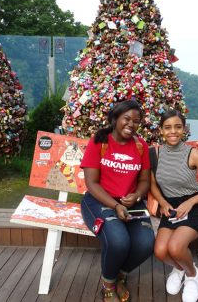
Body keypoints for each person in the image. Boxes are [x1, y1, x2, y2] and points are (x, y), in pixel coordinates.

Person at [80, 99, 155, 302]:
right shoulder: (99, 141)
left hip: (131, 203)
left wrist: (137, 196)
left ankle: (119, 275)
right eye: (127, 119)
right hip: (99, 201)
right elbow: (92, 183)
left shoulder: (141, 146)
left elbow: (145, 180)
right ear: (115, 118)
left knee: (146, 243)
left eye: (137, 121)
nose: (131, 124)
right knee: (118, 241)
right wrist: (115, 205)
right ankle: (108, 284)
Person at [150, 110, 198, 302]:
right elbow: (152, 185)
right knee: (160, 251)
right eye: (168, 127)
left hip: (194, 204)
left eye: (178, 127)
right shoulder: (154, 153)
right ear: (161, 130)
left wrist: (190, 202)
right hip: (170, 207)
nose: (173, 131)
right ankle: (179, 268)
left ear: (184, 129)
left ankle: (191, 274)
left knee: (175, 246)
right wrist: (163, 202)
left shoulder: (194, 154)